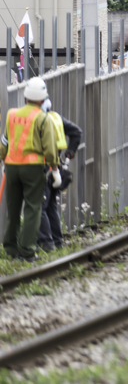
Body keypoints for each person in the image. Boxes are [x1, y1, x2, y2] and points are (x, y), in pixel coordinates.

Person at [0, 77, 59, 261]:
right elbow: (50, 148)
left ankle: (9, 249)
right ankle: (26, 252)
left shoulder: (11, 114)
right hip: (33, 169)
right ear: (42, 100)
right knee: (33, 208)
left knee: (13, 208)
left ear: (25, 97)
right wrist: (55, 170)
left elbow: (4, 143)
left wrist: (4, 161)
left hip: (11, 167)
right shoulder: (43, 118)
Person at [36, 98, 81, 252]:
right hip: (56, 169)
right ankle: (57, 241)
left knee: (40, 207)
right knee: (50, 206)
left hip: (44, 168)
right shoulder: (56, 118)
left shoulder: (40, 121)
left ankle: (46, 244)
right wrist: (69, 155)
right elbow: (76, 132)